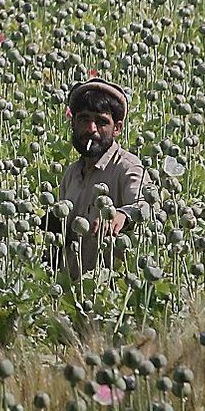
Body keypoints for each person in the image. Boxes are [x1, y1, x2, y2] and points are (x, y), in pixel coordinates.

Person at [56, 78, 148, 278]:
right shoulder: (71, 174)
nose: (91, 129)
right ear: (73, 123)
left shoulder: (127, 167)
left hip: (111, 294)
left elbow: (144, 204)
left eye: (101, 121)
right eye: (84, 119)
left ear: (117, 128)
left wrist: (123, 215)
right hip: (71, 292)